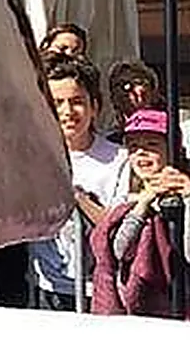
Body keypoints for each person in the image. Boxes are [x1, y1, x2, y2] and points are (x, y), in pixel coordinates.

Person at [29, 55, 130, 310]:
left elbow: (118, 226)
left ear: (94, 106)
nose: (67, 112)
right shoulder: (32, 158)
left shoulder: (120, 159)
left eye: (77, 102)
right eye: (57, 103)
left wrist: (79, 198)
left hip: (100, 290)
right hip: (45, 287)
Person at [90, 108, 190, 318]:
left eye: (151, 145)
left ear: (174, 149)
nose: (141, 152)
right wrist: (143, 205)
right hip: (144, 310)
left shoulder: (186, 191)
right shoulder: (129, 200)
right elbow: (119, 251)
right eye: (134, 146)